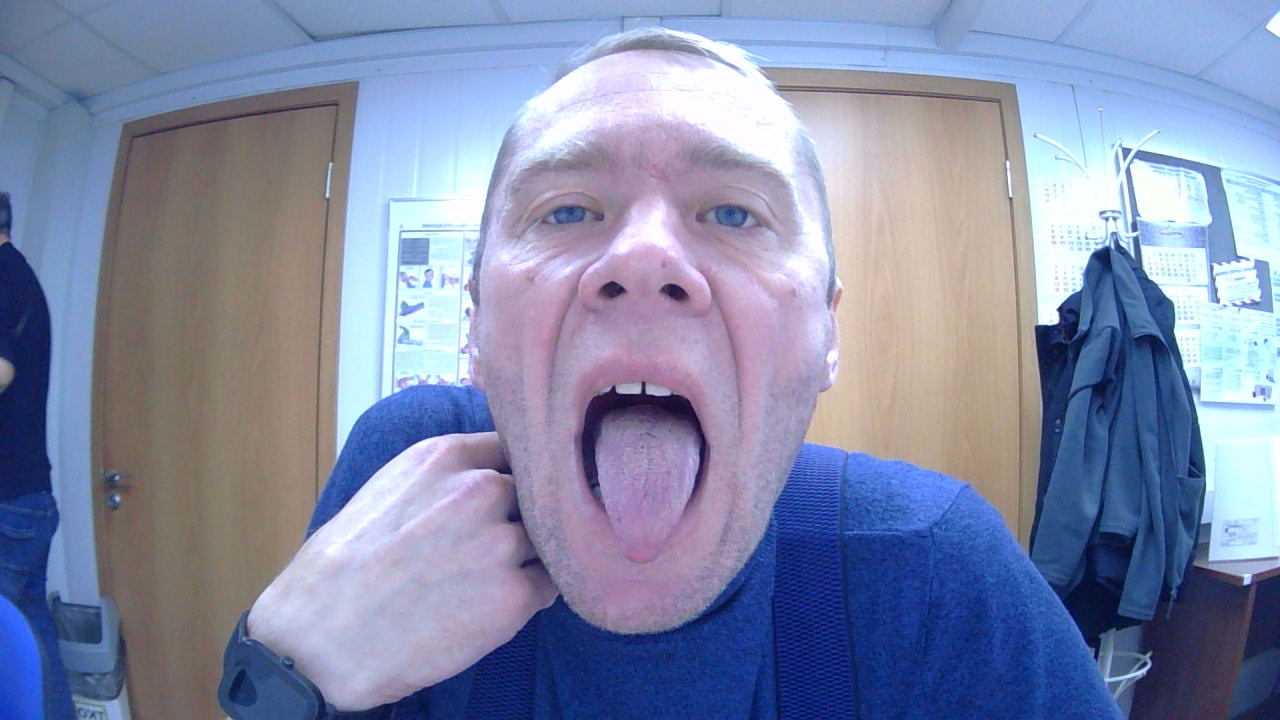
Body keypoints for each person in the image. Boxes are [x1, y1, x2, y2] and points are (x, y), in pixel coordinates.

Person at [219, 29, 1124, 719]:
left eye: (733, 212)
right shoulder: (406, 470)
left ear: (828, 335)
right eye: (566, 209)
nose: (644, 255)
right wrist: (285, 672)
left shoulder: (933, 569)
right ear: (477, 327)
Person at [0, 191, 76, 719]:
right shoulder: (18, 274)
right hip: (27, 499)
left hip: (6, 500)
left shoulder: (3, 275)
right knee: (32, 645)